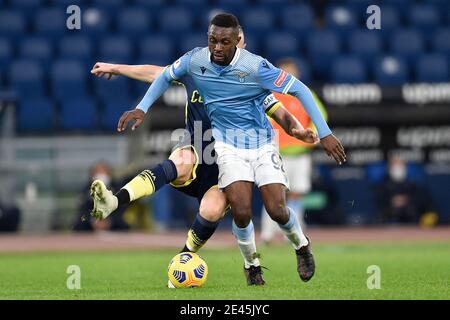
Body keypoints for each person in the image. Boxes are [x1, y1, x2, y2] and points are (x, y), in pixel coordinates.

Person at [115, 13, 346, 284]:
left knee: (276, 210)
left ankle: (302, 246)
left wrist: (324, 133)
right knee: (241, 209)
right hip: (227, 147)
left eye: (225, 42)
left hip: (260, 145)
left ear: (238, 42)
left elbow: (300, 91)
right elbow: (164, 75)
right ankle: (251, 265)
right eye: (213, 40)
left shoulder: (256, 68)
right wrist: (142, 107)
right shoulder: (196, 60)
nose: (217, 48)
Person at [260, 58, 328, 244]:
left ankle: (292, 235)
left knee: (297, 193)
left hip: (301, 154)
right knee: (275, 194)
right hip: (278, 154)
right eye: (284, 72)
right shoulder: (271, 95)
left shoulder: (305, 94)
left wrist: (314, 134)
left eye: (291, 71)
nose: (288, 75)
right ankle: (267, 234)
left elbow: (319, 115)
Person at [376, 156, 437, 225]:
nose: (398, 169)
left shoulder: (413, 185)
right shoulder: (383, 186)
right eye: (395, 166)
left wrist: (407, 200)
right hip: (390, 221)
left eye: (400, 166)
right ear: (389, 168)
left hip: (413, 221)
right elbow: (379, 203)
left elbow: (423, 202)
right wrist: (392, 201)